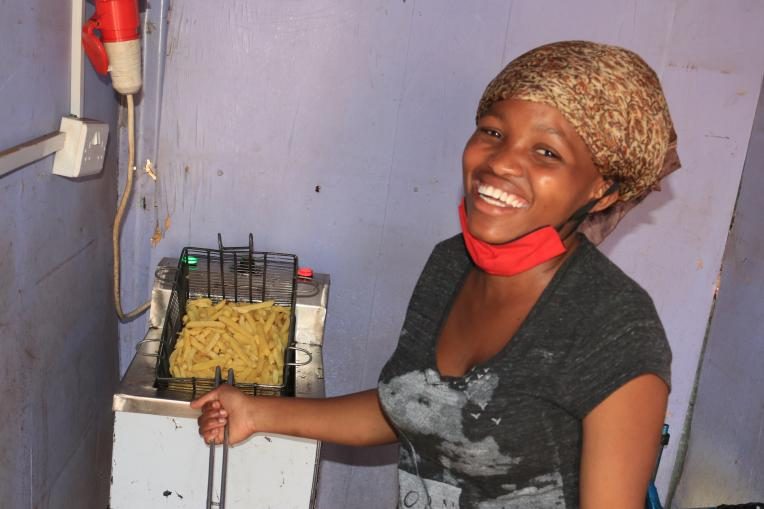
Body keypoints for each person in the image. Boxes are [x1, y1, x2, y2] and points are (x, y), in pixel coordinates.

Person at [192, 40, 680, 508]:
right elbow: (411, 403)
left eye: (546, 152)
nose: (501, 162)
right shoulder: (453, 264)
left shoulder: (615, 328)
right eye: (493, 131)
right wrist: (257, 411)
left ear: (604, 190)